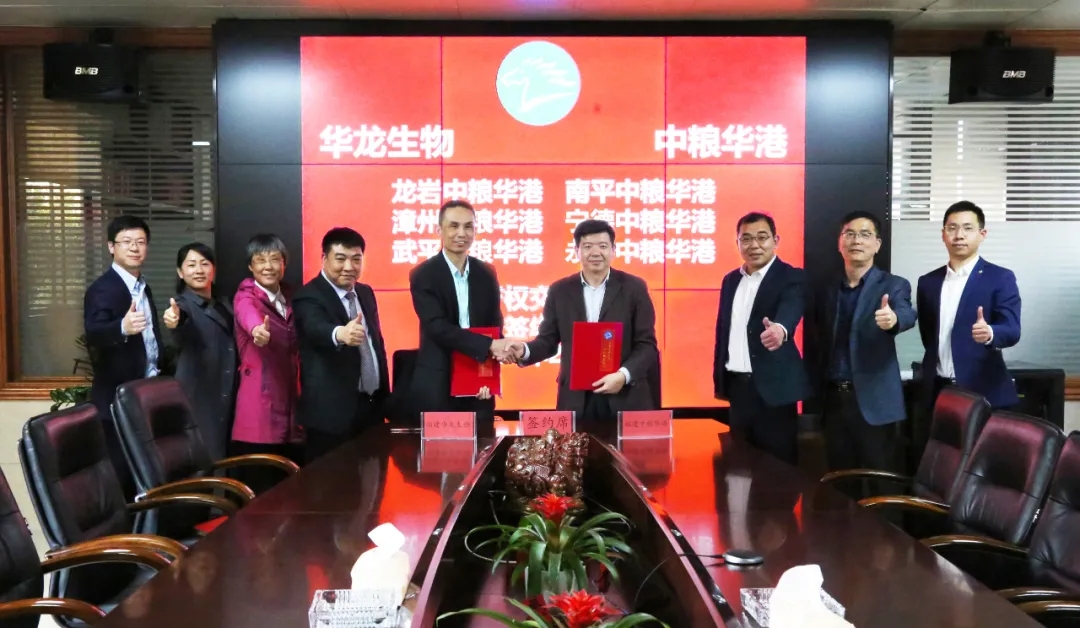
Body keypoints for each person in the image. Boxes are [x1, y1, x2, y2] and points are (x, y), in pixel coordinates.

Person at [507, 219, 658, 435]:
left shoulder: (634, 288)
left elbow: (646, 345)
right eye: (587, 246)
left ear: (613, 250)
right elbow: (548, 341)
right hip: (577, 399)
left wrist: (623, 375)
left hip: (624, 395)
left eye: (603, 246)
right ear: (576, 251)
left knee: (625, 457)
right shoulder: (560, 290)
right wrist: (524, 350)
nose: (595, 253)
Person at [810, 211, 916, 474]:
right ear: (840, 242)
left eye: (865, 234)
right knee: (841, 482)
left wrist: (893, 320)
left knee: (882, 480)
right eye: (850, 234)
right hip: (834, 401)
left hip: (875, 403)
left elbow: (906, 313)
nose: (857, 240)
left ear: (877, 244)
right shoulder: (827, 288)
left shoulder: (893, 285)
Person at [712, 212, 810, 466]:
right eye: (746, 239)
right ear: (738, 243)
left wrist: (781, 329)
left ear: (775, 241)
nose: (754, 245)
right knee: (739, 467)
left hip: (775, 392)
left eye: (762, 237)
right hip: (738, 390)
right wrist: (720, 381)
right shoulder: (731, 280)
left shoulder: (792, 276)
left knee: (778, 470)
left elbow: (791, 308)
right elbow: (723, 332)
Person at [293, 227, 390, 463]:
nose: (349, 267)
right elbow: (314, 328)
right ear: (324, 258)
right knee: (332, 482)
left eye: (356, 259)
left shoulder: (365, 292)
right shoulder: (308, 295)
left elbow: (376, 343)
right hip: (332, 416)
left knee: (373, 479)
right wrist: (340, 333)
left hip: (371, 408)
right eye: (340, 259)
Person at [83, 215, 161, 500]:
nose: (134, 248)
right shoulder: (103, 288)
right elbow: (93, 333)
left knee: (147, 477)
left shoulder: (142, 286)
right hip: (116, 400)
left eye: (140, 242)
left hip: (144, 395)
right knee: (123, 479)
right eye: (126, 242)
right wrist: (121, 328)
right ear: (111, 247)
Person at [916, 200, 1021, 410]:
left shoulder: (1000, 277)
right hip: (937, 391)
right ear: (943, 234)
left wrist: (990, 333)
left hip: (983, 393)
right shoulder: (928, 282)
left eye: (968, 228)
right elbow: (929, 337)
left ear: (982, 234)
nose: (959, 235)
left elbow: (1012, 329)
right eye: (952, 228)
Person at [408, 200, 501, 429]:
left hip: (479, 384)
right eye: (454, 226)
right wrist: (489, 345)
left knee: (483, 446)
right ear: (439, 230)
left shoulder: (486, 273)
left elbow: (494, 324)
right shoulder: (423, 274)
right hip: (438, 383)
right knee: (441, 450)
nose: (462, 233)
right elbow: (437, 327)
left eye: (468, 226)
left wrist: (491, 372)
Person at [231, 234, 301, 493]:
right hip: (259, 411)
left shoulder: (291, 297)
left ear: (284, 264)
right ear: (251, 266)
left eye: (275, 259)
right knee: (261, 495)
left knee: (290, 493)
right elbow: (248, 315)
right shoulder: (245, 297)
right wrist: (257, 331)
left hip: (291, 407)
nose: (268, 266)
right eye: (260, 260)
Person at [162, 242, 237, 461]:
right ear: (180, 272)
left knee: (227, 460)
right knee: (204, 462)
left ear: (213, 269)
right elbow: (181, 327)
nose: (199, 270)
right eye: (191, 265)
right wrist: (176, 321)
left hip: (228, 394)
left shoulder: (224, 304)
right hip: (199, 399)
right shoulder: (182, 305)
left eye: (204, 264)